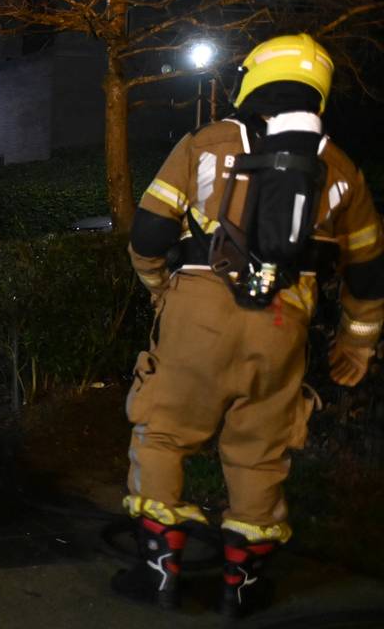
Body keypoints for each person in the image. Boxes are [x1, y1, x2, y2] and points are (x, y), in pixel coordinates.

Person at [116, 33, 382, 617]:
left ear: (252, 81)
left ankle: (159, 570)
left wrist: (161, 289)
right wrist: (357, 344)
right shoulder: (342, 170)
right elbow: (367, 271)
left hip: (198, 313)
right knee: (260, 451)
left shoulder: (205, 143)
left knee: (163, 434)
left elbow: (150, 234)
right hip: (284, 322)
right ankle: (243, 584)